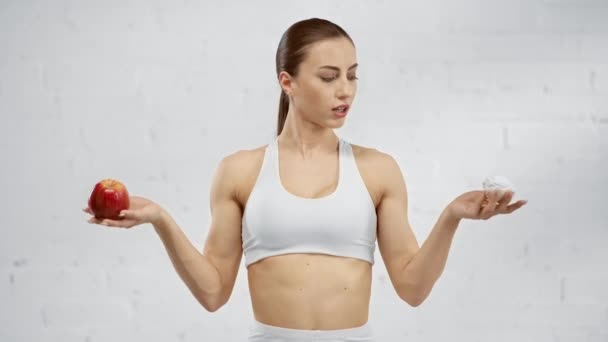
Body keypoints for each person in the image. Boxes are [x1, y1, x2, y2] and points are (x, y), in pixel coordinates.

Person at [83, 18, 528, 342]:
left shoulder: (378, 169)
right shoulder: (239, 171)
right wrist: (160, 218)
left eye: (352, 76)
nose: (346, 91)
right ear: (287, 82)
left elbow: (412, 288)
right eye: (329, 77)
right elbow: (214, 292)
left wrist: (452, 215)